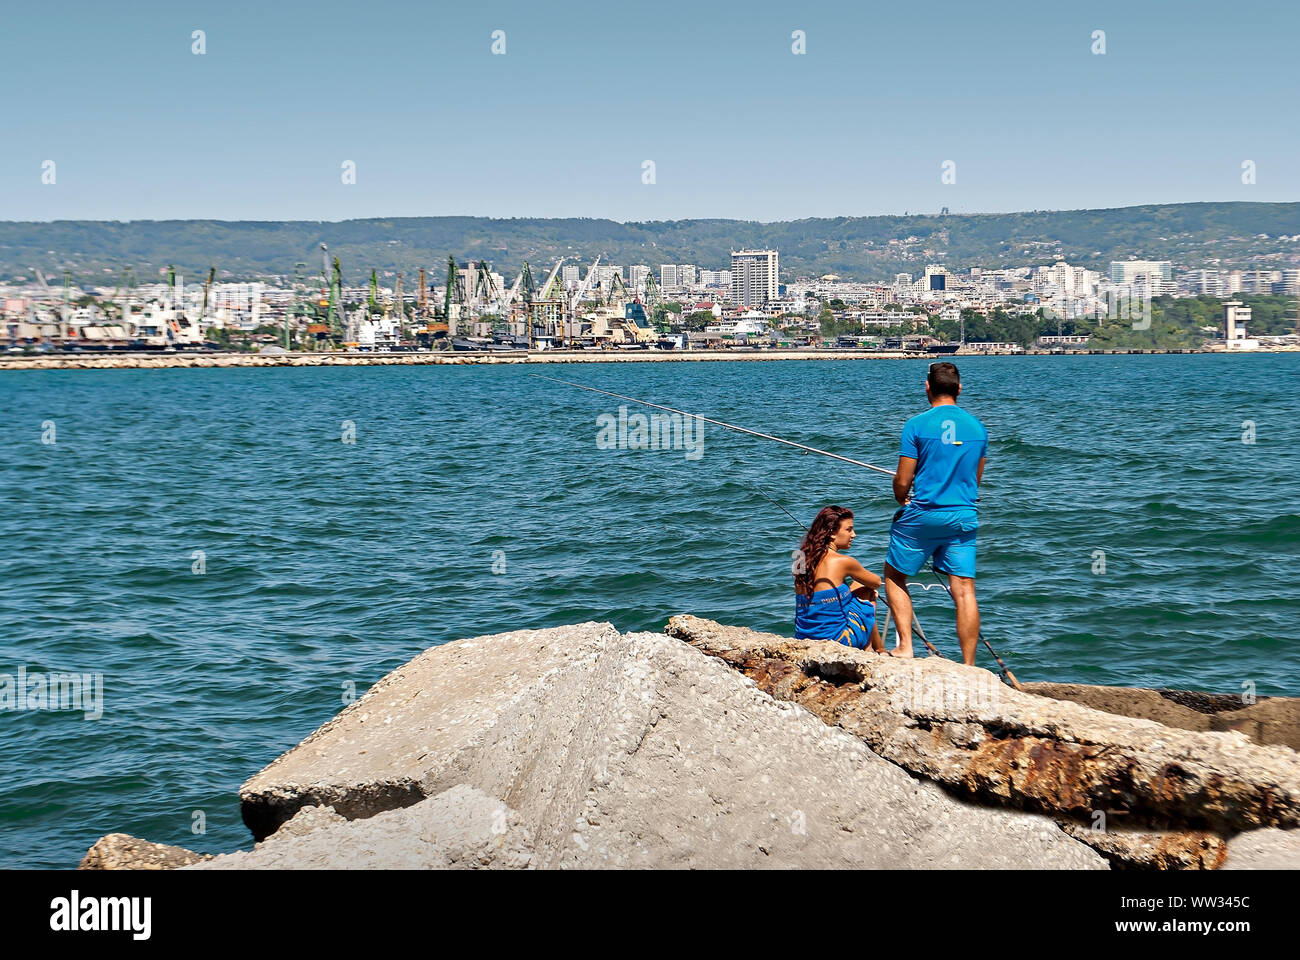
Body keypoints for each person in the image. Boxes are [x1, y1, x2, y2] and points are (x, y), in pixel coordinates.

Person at [883, 361, 987, 664]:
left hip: (925, 513)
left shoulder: (916, 425)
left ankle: (905, 645)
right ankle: (968, 664)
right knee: (965, 589)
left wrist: (901, 497)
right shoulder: (978, 428)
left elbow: (903, 480)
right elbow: (974, 480)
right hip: (963, 515)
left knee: (894, 575)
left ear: (928, 387)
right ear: (959, 389)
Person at [794, 505, 885, 652]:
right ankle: (876, 650)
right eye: (849, 529)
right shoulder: (843, 562)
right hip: (837, 640)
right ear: (832, 533)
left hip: (803, 636)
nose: (854, 534)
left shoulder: (798, 557)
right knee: (868, 590)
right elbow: (876, 582)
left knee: (854, 587)